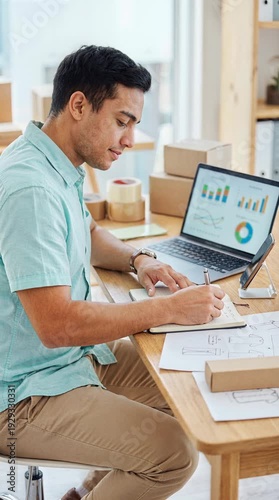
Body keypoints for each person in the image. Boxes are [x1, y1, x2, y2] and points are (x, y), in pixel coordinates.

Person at [0, 45, 225, 500]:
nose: (128, 140)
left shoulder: (53, 162)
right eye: (122, 121)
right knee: (175, 452)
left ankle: (82, 495)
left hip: (62, 364)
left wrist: (140, 260)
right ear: (79, 105)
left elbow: (89, 231)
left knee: (186, 386)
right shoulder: (30, 189)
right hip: (21, 394)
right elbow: (57, 325)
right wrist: (164, 309)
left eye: (134, 125)